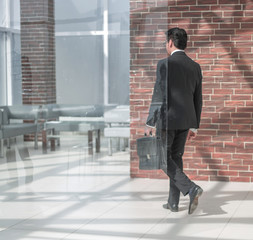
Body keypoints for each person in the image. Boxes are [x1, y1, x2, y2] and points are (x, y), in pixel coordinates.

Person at [146, 27, 203, 214]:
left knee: (163, 160)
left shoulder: (164, 64)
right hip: (186, 120)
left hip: (167, 119)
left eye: (165, 43)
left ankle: (191, 187)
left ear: (170, 42)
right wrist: (194, 126)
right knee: (175, 158)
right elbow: (198, 98)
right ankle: (173, 202)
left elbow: (159, 94)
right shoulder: (195, 66)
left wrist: (150, 122)